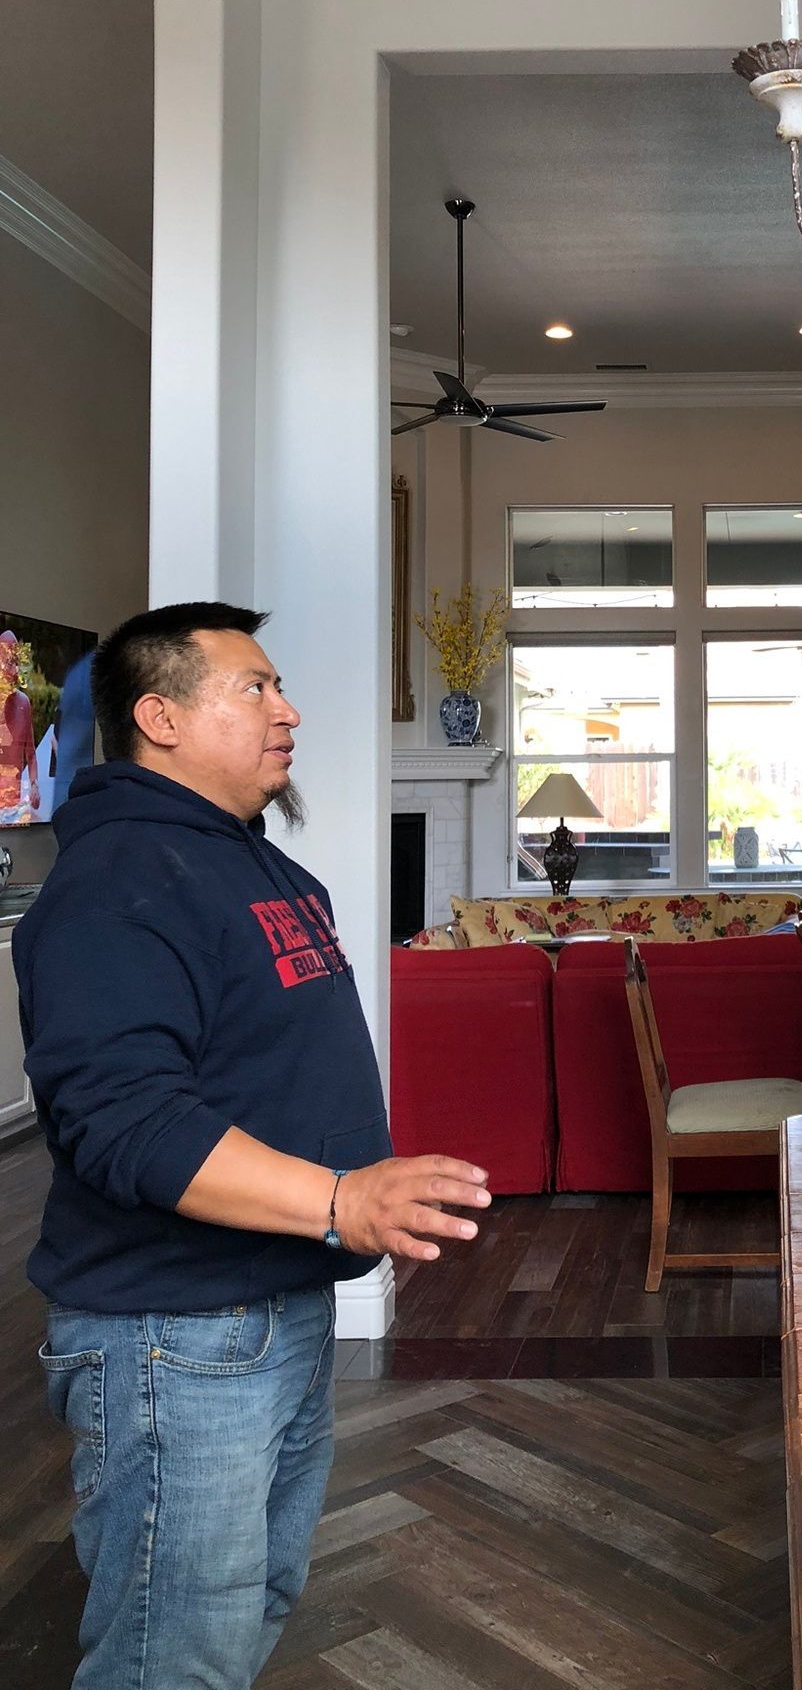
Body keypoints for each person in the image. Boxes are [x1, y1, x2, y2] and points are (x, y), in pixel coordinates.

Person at [14, 601, 491, 1689]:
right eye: (255, 687)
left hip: (268, 1307)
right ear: (160, 716)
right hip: (173, 1335)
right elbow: (124, 1121)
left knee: (246, 1607)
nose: (289, 709)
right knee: (171, 1651)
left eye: (278, 686)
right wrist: (340, 1198)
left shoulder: (248, 863)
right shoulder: (118, 881)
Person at [0, 627, 41, 824]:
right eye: (9, 663)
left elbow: (31, 754)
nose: (15, 670)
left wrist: (34, 785)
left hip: (14, 807)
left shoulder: (23, 703)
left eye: (16, 663)